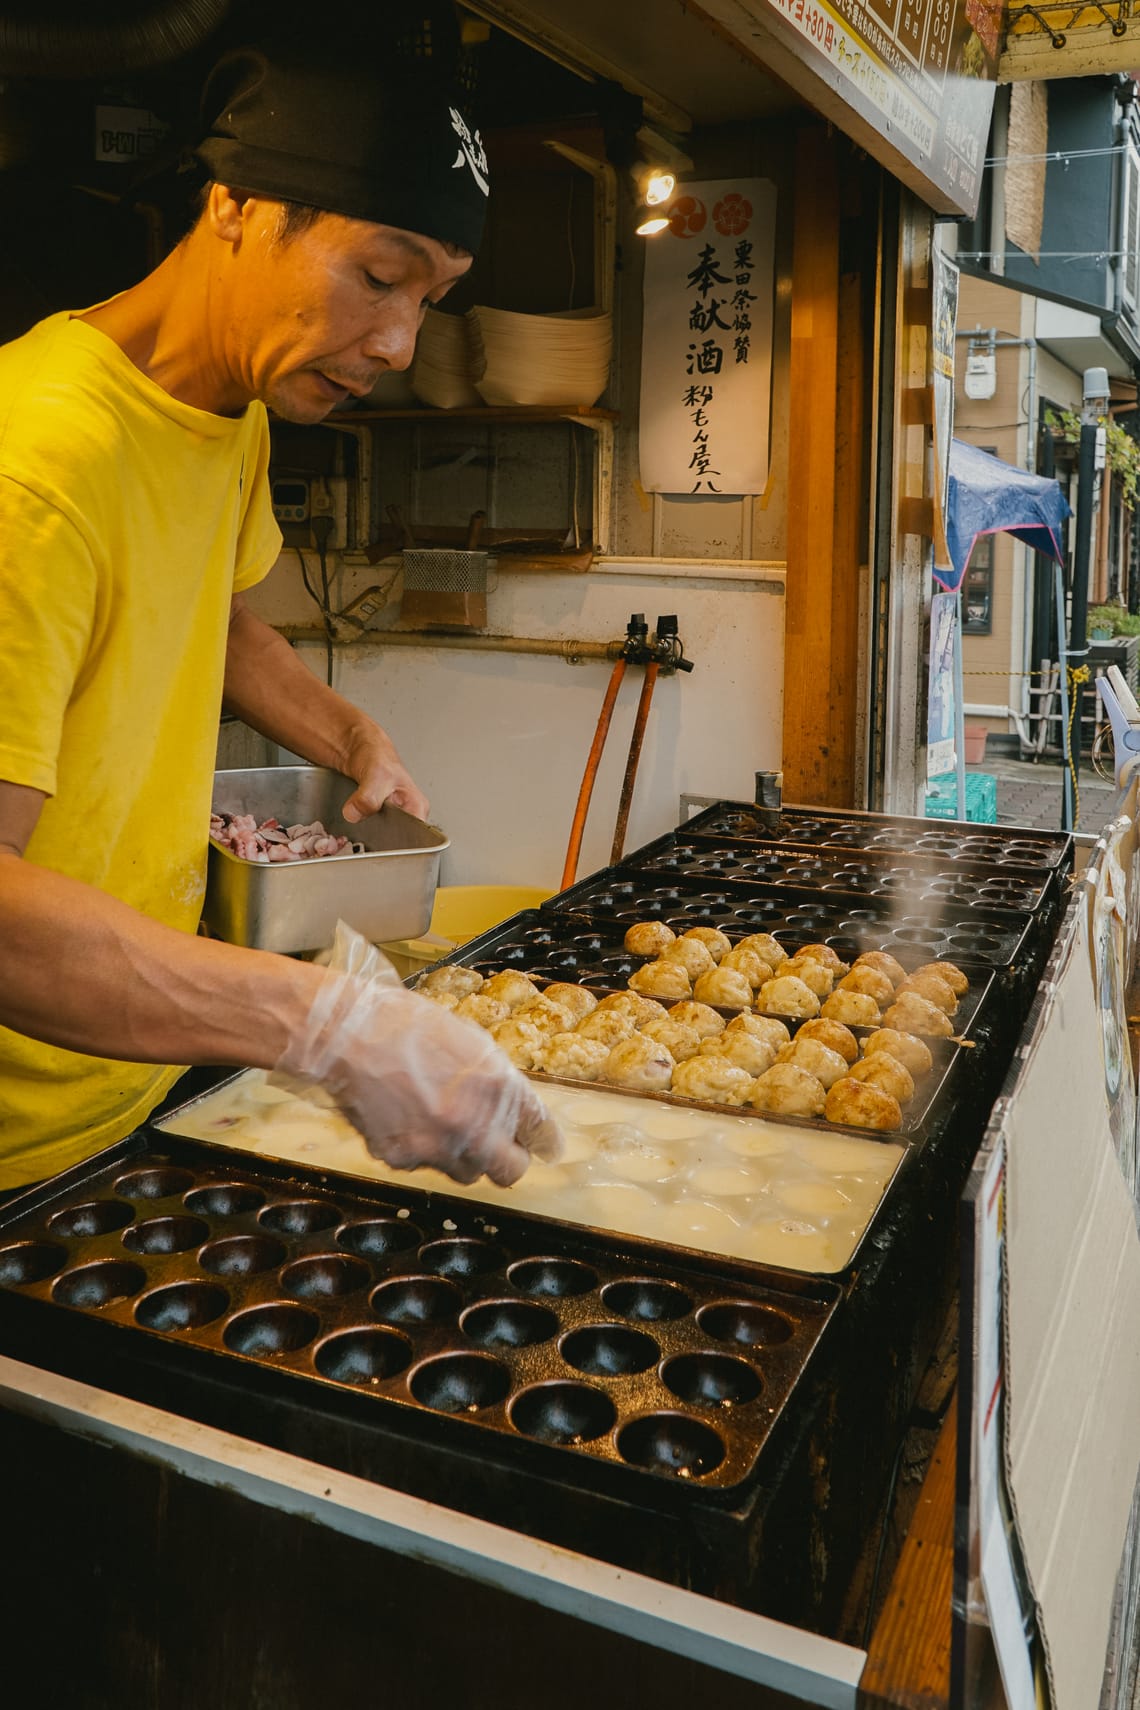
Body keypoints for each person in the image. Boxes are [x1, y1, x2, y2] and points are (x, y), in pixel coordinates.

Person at [0, 40, 558, 1195]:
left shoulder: (233, 408)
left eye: (429, 300)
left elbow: (219, 624)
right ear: (241, 211)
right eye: (379, 275)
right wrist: (328, 1028)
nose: (401, 344)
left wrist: (349, 739)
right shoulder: (36, 466)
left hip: (133, 1075)